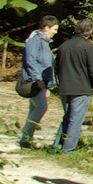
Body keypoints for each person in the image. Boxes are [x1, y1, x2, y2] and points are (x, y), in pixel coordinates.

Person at [51, 19, 93, 153]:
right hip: (81, 88)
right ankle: (68, 149)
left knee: (68, 117)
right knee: (76, 119)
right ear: (90, 32)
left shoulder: (63, 47)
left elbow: (56, 68)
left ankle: (57, 144)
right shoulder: (88, 48)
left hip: (64, 88)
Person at [16, 16, 59, 148]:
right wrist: (38, 78)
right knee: (41, 107)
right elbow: (30, 60)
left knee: (34, 108)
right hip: (36, 81)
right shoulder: (35, 41)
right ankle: (24, 136)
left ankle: (27, 139)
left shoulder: (44, 42)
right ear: (46, 27)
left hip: (42, 82)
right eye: (54, 29)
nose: (56, 32)